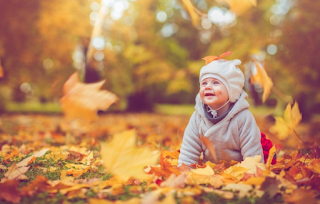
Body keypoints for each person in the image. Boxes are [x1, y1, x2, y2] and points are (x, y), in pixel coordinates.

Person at [178, 54, 264, 167]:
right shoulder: (197, 117)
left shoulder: (243, 118)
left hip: (238, 169)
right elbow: (189, 148)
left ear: (231, 90)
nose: (208, 86)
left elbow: (252, 150)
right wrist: (184, 169)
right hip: (211, 170)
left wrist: (253, 171)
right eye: (204, 83)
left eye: (215, 83)